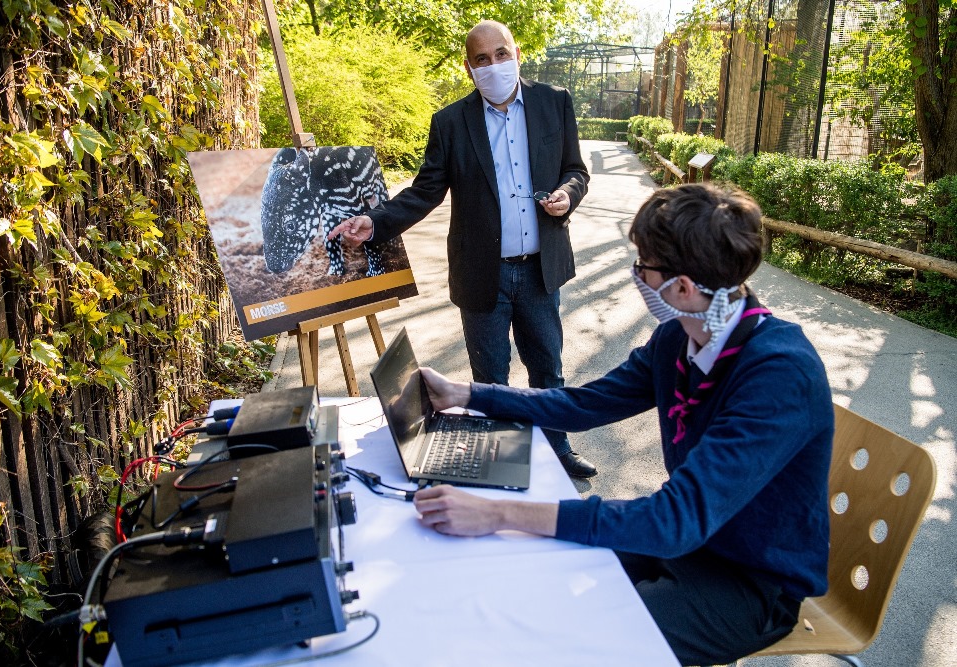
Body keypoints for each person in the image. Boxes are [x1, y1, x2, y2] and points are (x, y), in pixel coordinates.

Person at [410, 183, 834, 666]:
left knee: (579, 638)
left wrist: (497, 513)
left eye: (643, 267)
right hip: (692, 539)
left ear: (682, 288)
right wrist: (468, 394)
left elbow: (675, 520)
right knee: (532, 576)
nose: (638, 276)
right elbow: (585, 404)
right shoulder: (678, 337)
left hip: (751, 579)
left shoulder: (780, 374)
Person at [328, 20, 595, 478]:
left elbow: (576, 170)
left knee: (547, 370)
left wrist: (568, 194)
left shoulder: (555, 103)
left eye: (501, 54)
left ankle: (557, 451)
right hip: (481, 273)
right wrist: (375, 222)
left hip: (539, 271)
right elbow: (425, 191)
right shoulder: (450, 122)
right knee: (490, 380)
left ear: (516, 54)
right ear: (468, 67)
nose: (494, 65)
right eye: (482, 59)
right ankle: (500, 462)